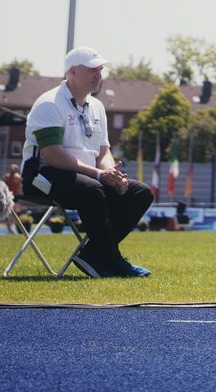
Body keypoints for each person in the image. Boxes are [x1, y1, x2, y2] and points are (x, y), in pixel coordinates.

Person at [20, 47, 154, 278]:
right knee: (91, 190)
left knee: (140, 192)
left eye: (100, 69)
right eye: (92, 69)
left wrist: (112, 174)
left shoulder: (97, 107)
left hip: (87, 178)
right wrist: (99, 176)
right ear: (72, 72)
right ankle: (112, 260)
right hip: (41, 177)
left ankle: (93, 255)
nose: (98, 75)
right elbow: (53, 155)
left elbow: (103, 152)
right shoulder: (49, 103)